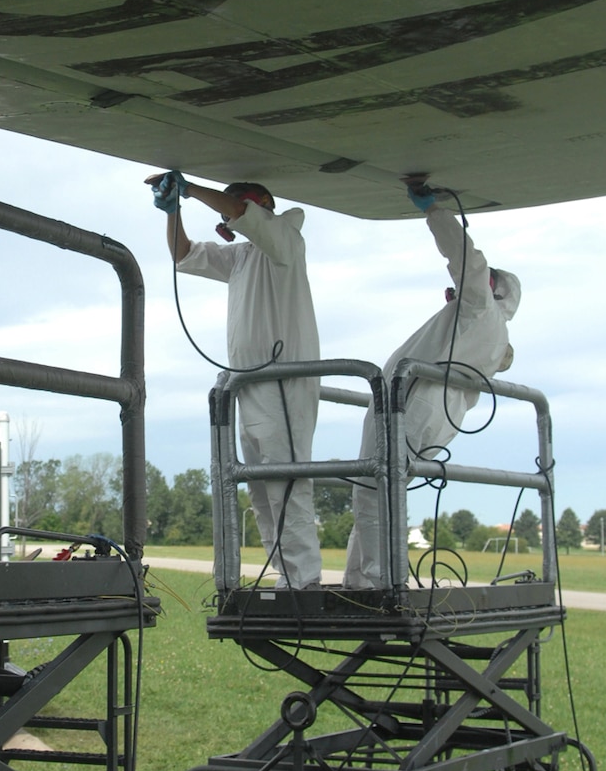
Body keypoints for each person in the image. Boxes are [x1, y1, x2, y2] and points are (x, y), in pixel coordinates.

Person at [147, 170, 321, 590]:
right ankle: (287, 575)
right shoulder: (243, 256)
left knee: (285, 480)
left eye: (234, 211)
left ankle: (305, 580)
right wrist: (174, 212)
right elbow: (183, 254)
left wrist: (191, 189)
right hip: (250, 386)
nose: (226, 221)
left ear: (259, 206)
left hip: (284, 387)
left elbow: (240, 211)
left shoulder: (285, 242)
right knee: (260, 487)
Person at [343, 188, 521, 589]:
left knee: (374, 494)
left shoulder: (481, 310)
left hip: (414, 407)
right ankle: (362, 582)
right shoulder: (485, 328)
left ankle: (378, 585)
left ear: (496, 292)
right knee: (376, 493)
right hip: (427, 412)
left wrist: (434, 212)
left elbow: (467, 261)